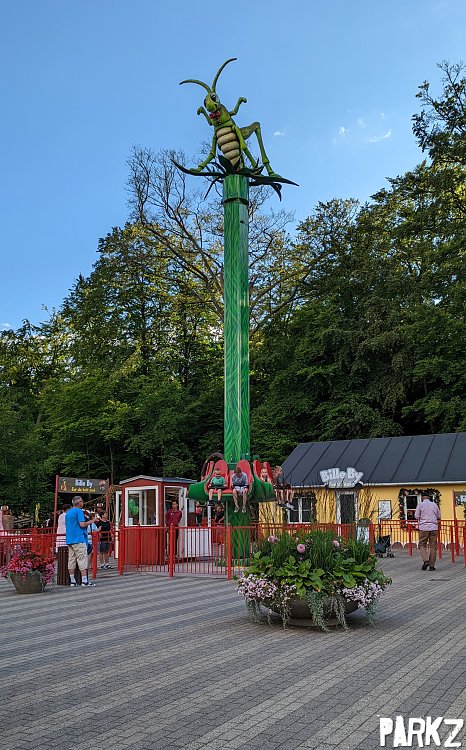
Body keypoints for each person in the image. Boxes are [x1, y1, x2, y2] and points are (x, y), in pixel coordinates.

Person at [65, 496, 96, 587]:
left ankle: (72, 581)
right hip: (79, 539)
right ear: (78, 503)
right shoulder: (79, 511)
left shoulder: (68, 513)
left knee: (71, 560)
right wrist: (91, 521)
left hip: (70, 539)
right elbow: (82, 524)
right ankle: (84, 581)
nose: (83, 503)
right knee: (82, 559)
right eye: (82, 501)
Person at [415, 494, 441, 571]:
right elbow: (439, 516)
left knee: (422, 544)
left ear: (422, 497)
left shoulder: (420, 505)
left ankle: (426, 560)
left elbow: (416, 516)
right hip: (434, 527)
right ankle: (432, 566)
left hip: (423, 527)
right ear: (429, 497)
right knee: (433, 546)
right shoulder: (434, 505)